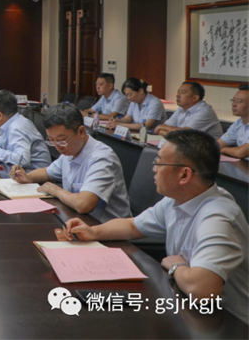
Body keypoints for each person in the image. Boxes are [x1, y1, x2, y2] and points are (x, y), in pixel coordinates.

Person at [57, 130, 248, 324]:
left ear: (184, 174)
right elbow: (132, 226)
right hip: (190, 308)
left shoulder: (218, 217)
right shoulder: (176, 200)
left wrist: (177, 266)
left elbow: (202, 290)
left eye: (159, 162)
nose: (154, 169)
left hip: (230, 322)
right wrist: (92, 232)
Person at [11, 104, 130, 222]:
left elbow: (84, 204)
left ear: (81, 131)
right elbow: (47, 172)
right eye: (52, 140)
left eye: (61, 140)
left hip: (105, 227)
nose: (58, 146)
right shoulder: (70, 151)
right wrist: (27, 177)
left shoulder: (102, 158)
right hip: (77, 219)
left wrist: (57, 191)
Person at [0, 90, 51, 170]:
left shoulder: (17, 128)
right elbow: (2, 144)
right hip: (17, 171)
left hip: (34, 174)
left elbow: (23, 160)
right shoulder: (10, 123)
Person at [154, 82, 223, 139]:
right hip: (183, 145)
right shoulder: (181, 108)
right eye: (178, 92)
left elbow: (186, 134)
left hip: (204, 149)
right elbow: (160, 128)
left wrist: (166, 130)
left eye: (183, 92)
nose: (178, 95)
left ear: (195, 98)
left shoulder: (204, 112)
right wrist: (177, 135)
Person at [218, 84, 249, 160]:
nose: (233, 104)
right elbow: (218, 144)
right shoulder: (239, 122)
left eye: (238, 101)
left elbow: (240, 153)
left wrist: (223, 150)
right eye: (233, 100)